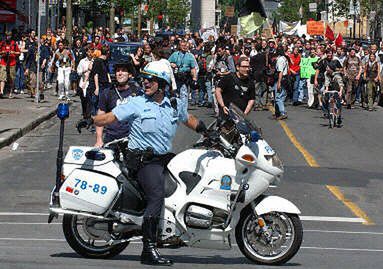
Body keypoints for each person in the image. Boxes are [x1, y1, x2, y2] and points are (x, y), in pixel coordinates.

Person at [78, 60, 208, 266]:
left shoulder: (173, 104)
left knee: (191, 177)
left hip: (164, 157)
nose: (145, 82)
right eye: (144, 79)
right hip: (142, 160)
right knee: (156, 196)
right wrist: (91, 120)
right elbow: (111, 117)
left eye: (151, 80)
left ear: (162, 84)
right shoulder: (137, 103)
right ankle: (148, 249)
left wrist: (208, 131)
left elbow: (189, 119)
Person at [94, 60, 141, 147]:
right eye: (117, 71)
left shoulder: (137, 92)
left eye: (123, 70)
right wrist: (99, 139)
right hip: (111, 138)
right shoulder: (107, 92)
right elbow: (101, 115)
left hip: (131, 138)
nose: (120, 73)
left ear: (130, 74)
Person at [0, 32, 20, 98]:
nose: (7, 37)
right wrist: (3, 52)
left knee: (11, 78)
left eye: (9, 36)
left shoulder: (14, 43)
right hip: (3, 62)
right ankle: (1, 92)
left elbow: (19, 52)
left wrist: (13, 52)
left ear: (11, 36)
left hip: (12, 63)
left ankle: (10, 93)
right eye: (6, 36)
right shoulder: (2, 43)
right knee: (2, 77)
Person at [324, 62, 344, 127]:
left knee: (338, 104)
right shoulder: (326, 74)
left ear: (331, 68)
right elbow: (326, 82)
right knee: (324, 98)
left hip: (338, 89)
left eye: (327, 67)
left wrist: (340, 92)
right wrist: (326, 90)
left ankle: (339, 117)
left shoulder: (337, 75)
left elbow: (340, 84)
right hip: (330, 88)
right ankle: (328, 112)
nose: (326, 68)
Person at [273, 46, 289, 120]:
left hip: (281, 79)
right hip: (285, 78)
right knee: (282, 96)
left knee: (278, 97)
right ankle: (278, 112)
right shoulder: (285, 58)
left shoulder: (280, 60)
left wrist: (279, 82)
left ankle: (283, 112)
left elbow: (280, 71)